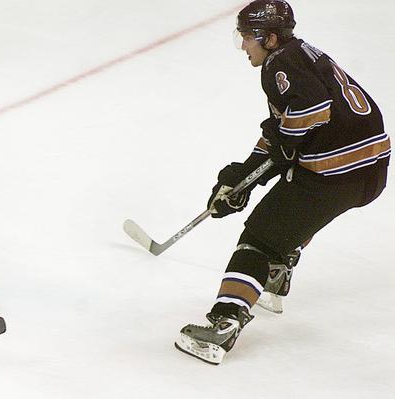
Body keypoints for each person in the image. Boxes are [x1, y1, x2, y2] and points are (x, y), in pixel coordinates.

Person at [174, 0, 390, 365]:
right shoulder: (301, 52)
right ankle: (276, 272)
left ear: (269, 38)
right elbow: (287, 127)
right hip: (369, 170)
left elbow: (311, 109)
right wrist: (249, 172)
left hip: (334, 173)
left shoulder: (281, 63)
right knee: (294, 211)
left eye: (247, 37)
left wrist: (280, 155)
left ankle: (224, 325)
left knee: (259, 238)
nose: (243, 46)